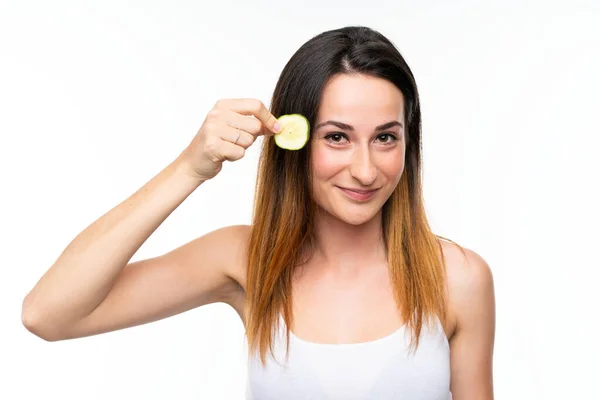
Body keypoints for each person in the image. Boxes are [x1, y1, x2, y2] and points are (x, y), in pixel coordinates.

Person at [21, 26, 495, 399]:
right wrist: (189, 168)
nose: (366, 170)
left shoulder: (459, 277)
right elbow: (49, 313)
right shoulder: (246, 259)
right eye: (337, 136)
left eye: (385, 137)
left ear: (409, 144)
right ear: (293, 138)